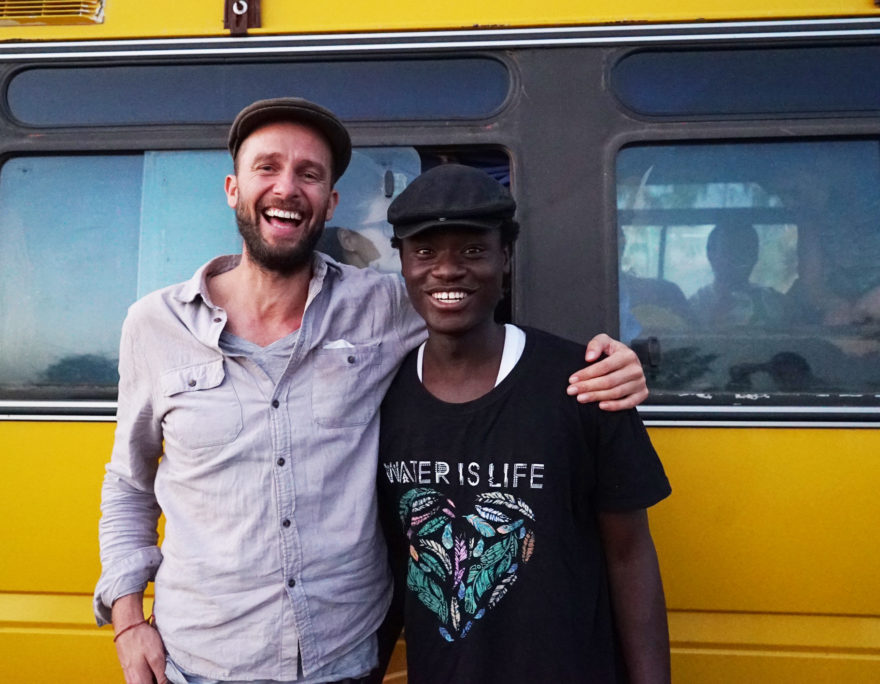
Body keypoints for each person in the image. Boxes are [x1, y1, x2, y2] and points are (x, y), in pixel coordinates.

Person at [94, 97, 650, 684]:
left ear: (329, 202)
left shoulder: (383, 307)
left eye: (309, 174)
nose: (287, 188)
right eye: (267, 168)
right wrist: (128, 617)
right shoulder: (154, 326)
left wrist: (619, 360)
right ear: (233, 188)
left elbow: (472, 315)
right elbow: (129, 484)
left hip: (345, 662)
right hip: (200, 662)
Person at [377, 164, 671, 683]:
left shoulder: (584, 385)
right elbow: (395, 565)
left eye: (472, 251)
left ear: (505, 257)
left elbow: (630, 554)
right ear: (401, 263)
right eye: (424, 253)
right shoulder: (382, 398)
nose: (447, 270)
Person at [688, 220, 787, 328]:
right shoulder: (696, 306)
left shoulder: (773, 301)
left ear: (755, 256)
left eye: (746, 251)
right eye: (730, 250)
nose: (739, 259)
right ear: (711, 254)